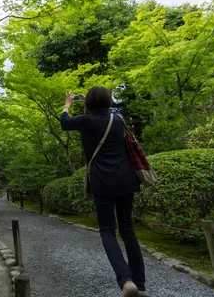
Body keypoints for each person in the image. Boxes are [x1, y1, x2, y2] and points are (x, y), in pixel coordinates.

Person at [60, 87, 146, 297]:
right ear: (109, 102)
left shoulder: (85, 121)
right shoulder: (118, 119)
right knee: (128, 231)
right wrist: (90, 102)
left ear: (88, 104)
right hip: (126, 179)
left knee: (108, 231)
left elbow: (64, 122)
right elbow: (107, 109)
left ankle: (126, 281)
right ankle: (140, 286)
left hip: (102, 182)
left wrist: (69, 103)